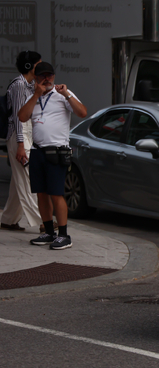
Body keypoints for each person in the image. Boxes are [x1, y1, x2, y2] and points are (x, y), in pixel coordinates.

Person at [18, 62, 87, 250]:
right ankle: (49, 231)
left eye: (50, 75)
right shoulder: (34, 96)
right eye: (42, 76)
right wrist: (36, 95)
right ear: (37, 78)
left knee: (56, 193)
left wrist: (67, 94)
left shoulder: (62, 94)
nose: (47, 79)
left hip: (57, 151)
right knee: (41, 193)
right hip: (38, 150)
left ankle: (64, 235)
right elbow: (22, 116)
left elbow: (82, 112)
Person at [0, 51, 42, 232]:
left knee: (19, 180)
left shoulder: (32, 85)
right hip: (19, 135)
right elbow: (18, 118)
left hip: (28, 134)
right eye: (37, 64)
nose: (40, 66)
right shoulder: (18, 85)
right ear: (29, 66)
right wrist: (20, 145)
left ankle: (8, 219)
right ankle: (43, 221)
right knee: (27, 179)